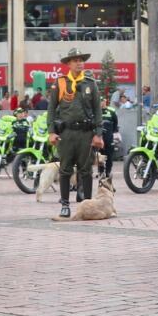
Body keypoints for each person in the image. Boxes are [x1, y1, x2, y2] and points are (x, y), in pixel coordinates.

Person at [46, 48, 104, 219]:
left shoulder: (90, 83)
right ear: (68, 64)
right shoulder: (61, 82)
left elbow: (97, 110)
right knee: (65, 170)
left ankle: (87, 204)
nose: (79, 63)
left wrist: (98, 134)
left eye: (81, 60)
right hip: (66, 133)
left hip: (85, 133)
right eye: (75, 60)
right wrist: (51, 132)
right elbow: (51, 110)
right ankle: (65, 204)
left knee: (86, 170)